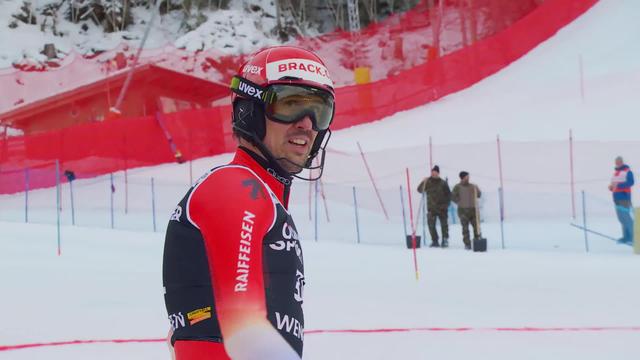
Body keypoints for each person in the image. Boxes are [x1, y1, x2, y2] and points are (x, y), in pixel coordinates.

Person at [162, 46, 336, 360]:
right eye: (290, 105)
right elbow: (245, 334)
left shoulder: (261, 198)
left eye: (319, 110)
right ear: (249, 110)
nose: (307, 124)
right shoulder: (236, 186)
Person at [417, 165, 451, 247]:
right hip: (431, 208)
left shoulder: (443, 183)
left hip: (442, 208)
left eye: (435, 172)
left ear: (438, 173)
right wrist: (423, 182)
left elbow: (449, 195)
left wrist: (446, 205)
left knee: (444, 225)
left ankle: (445, 240)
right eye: (432, 172)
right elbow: (419, 190)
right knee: (431, 225)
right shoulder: (427, 182)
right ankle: (435, 240)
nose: (433, 173)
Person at [451, 171, 481, 250]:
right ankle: (467, 244)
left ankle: (477, 241)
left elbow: (479, 195)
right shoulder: (457, 187)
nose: (468, 178)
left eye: (468, 176)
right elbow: (452, 196)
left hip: (473, 210)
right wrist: (459, 201)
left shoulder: (472, 186)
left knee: (476, 226)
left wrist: (477, 189)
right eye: (466, 177)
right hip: (463, 210)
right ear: (462, 177)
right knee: (465, 228)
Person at [608, 156, 634, 244]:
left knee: (627, 218)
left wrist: (619, 186)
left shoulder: (627, 171)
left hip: (624, 198)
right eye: (616, 162)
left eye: (619, 162)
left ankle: (634, 238)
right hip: (616, 198)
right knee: (621, 219)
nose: (617, 163)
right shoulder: (615, 172)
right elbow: (614, 184)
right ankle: (626, 237)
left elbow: (631, 182)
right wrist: (611, 187)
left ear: (622, 162)